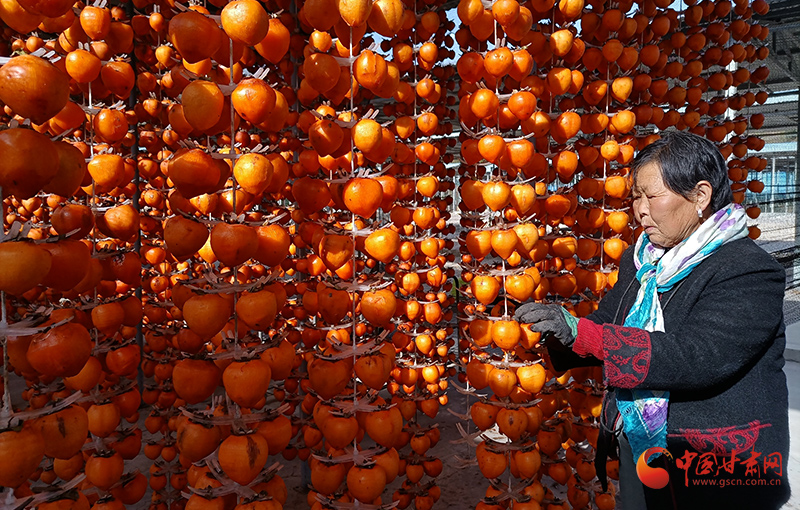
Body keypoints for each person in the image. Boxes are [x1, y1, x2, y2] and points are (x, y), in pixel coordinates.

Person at [514, 131, 791, 509]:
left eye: (652, 195)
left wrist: (585, 334)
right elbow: (609, 321)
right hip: (641, 444)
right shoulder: (641, 260)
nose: (640, 209)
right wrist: (552, 334)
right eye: (635, 196)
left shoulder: (748, 271)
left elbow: (699, 356)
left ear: (700, 196)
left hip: (715, 464)